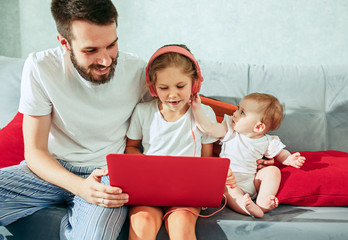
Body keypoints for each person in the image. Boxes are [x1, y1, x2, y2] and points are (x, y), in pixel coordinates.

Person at [0, 0, 147, 239]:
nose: (106, 60)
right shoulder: (40, 67)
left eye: (111, 45)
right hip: (50, 172)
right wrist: (80, 188)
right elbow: (35, 151)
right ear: (64, 43)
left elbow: (175, 106)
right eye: (91, 50)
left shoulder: (138, 71)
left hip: (106, 175)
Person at [125, 44, 219, 240]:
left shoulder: (203, 114)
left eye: (180, 86)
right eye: (164, 88)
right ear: (152, 87)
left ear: (194, 84)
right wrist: (146, 165)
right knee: (142, 223)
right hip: (149, 188)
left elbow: (206, 158)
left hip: (187, 191)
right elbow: (131, 147)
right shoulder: (143, 112)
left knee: (181, 223)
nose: (173, 94)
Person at [190, 92, 306, 218]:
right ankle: (248, 208)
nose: (235, 113)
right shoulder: (230, 130)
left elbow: (281, 154)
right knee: (228, 192)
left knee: (273, 171)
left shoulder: (268, 141)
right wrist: (197, 108)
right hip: (230, 183)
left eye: (242, 113)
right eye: (238, 108)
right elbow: (209, 128)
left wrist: (289, 159)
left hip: (252, 182)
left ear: (259, 127)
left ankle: (263, 201)